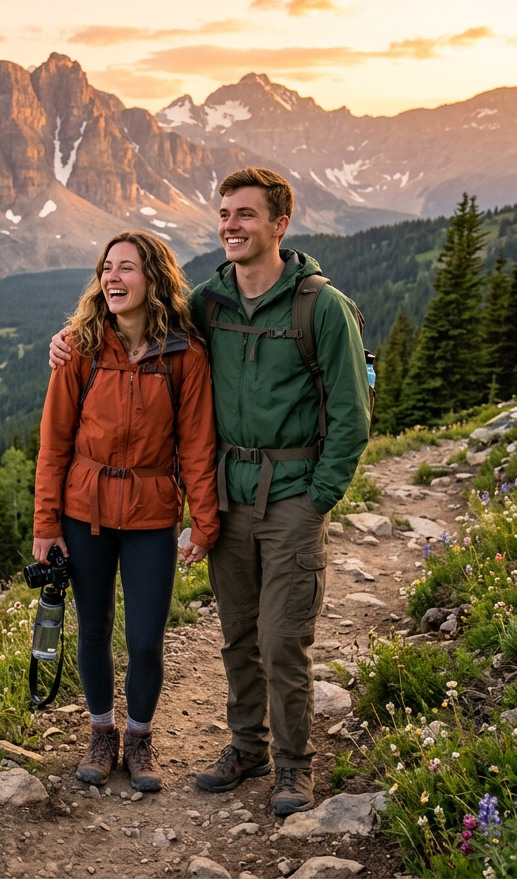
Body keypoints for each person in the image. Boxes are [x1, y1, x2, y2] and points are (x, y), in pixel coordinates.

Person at [50, 168, 370, 815]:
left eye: (246, 215)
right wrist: (67, 337)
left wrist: (319, 498)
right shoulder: (211, 304)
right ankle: (246, 746)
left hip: (291, 497)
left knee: (282, 638)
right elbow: (140, 320)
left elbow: (352, 414)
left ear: (280, 224)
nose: (231, 225)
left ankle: (293, 766)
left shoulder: (321, 307)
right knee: (236, 633)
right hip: (229, 495)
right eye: (225, 213)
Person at [34, 230, 220, 793]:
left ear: (154, 279)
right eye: (106, 268)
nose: (113, 278)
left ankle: (138, 738)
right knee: (93, 631)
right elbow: (54, 444)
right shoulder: (79, 349)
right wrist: (46, 524)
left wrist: (204, 521)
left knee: (144, 638)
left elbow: (197, 446)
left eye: (127, 268)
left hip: (151, 514)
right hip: (83, 511)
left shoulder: (185, 356)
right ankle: (101, 733)